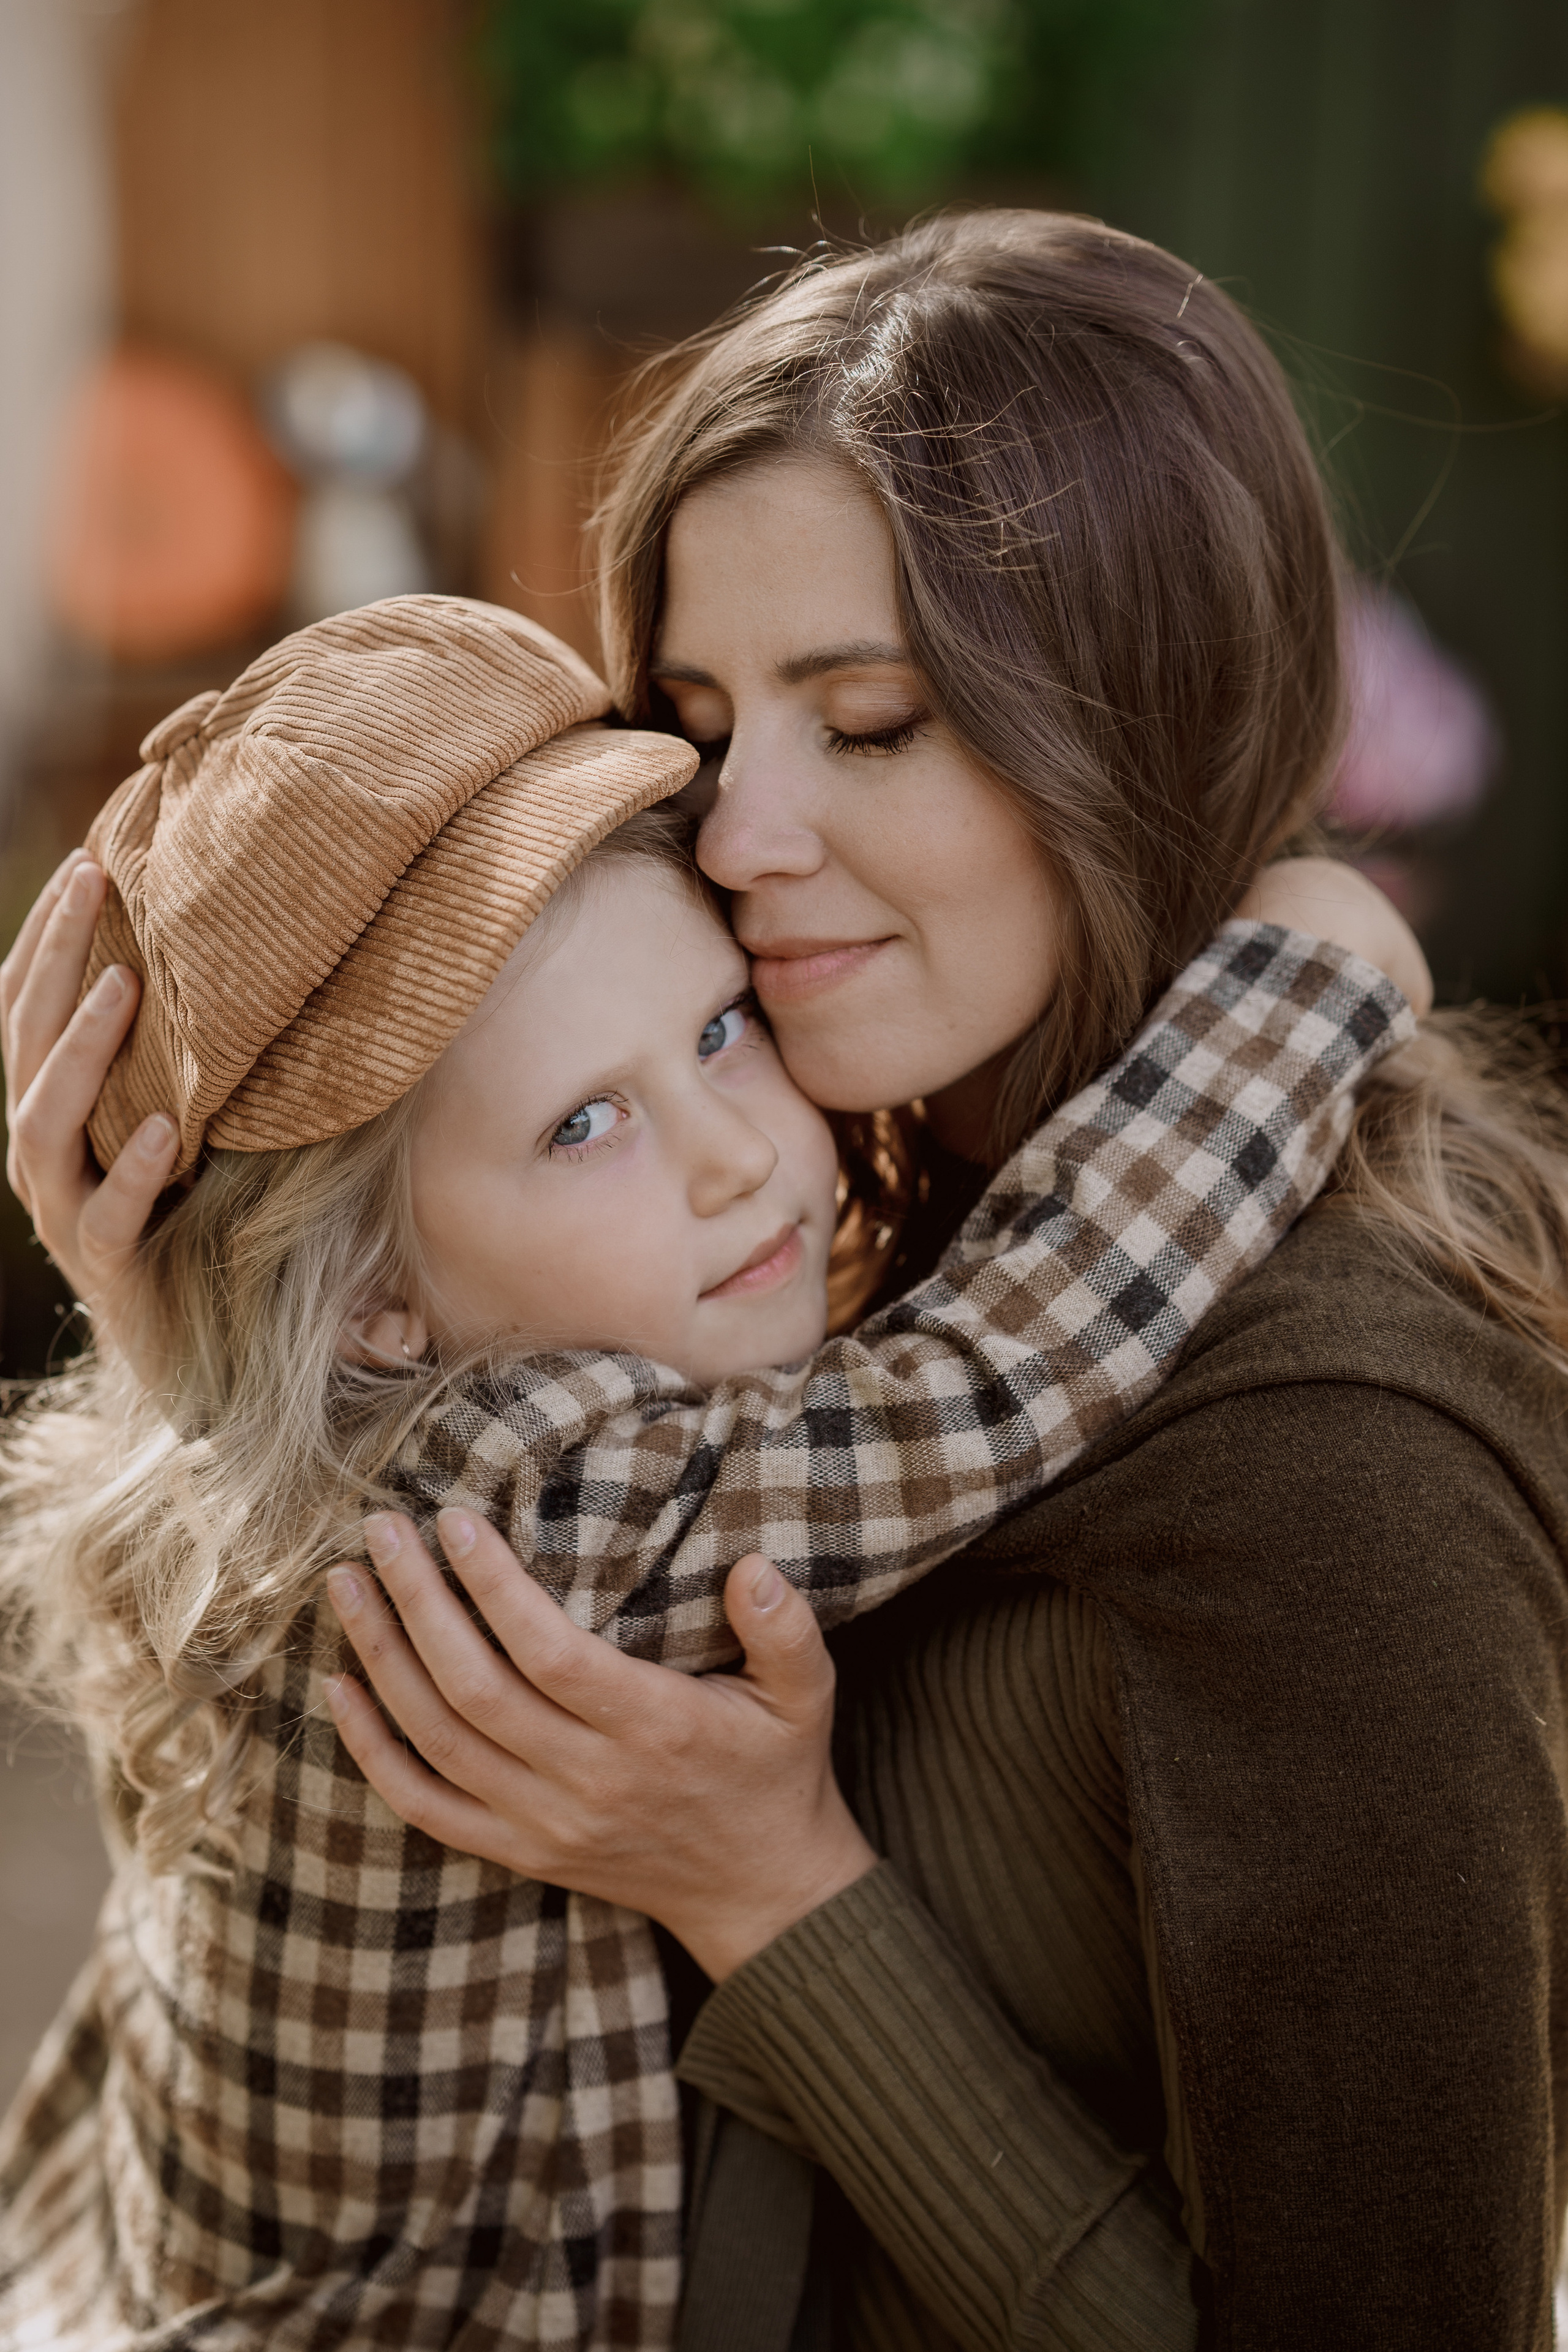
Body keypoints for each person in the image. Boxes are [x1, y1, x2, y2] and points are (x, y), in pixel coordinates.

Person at [302, 214, 1568, 2351]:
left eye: (871, 720)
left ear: (1155, 728)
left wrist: (770, 1893)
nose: (736, 833)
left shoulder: (1344, 1466)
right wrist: (216, 1264)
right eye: (702, 726)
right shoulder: (826, 1205)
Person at [0, 591, 1411, 2352]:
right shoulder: (519, 1495)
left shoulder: (257, 1443)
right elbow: (980, 1384)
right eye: (583, 1123)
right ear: (370, 1303)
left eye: (723, 1028)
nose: (740, 1156)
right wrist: (1315, 967)